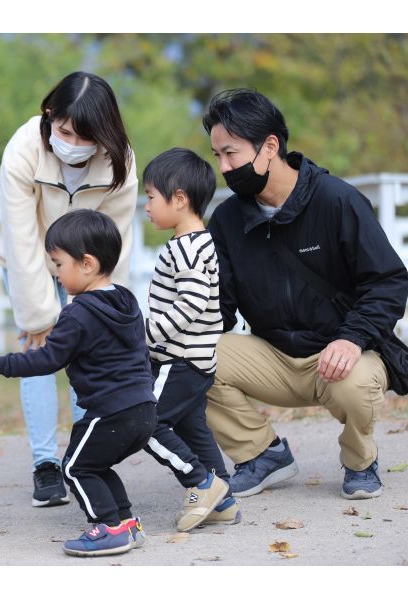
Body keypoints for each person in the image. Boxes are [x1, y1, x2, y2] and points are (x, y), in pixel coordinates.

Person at [203, 88, 408, 500]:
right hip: (274, 356)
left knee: (356, 384)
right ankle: (262, 455)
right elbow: (219, 309)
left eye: (231, 153)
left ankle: (360, 461)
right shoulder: (226, 220)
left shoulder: (338, 201)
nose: (224, 168)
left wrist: (353, 338)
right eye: (217, 157)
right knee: (190, 356)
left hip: (341, 354)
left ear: (270, 146)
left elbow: (388, 280)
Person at [0, 71, 138, 508]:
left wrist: (107, 309)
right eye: (64, 130)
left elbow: (115, 240)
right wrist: (37, 316)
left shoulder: (119, 161)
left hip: (86, 260)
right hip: (27, 250)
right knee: (40, 349)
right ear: (49, 115)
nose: (71, 142)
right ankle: (46, 465)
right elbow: (21, 235)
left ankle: (86, 451)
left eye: (85, 137)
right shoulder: (23, 148)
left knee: (87, 348)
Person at [0, 210, 156, 557]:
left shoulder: (78, 312)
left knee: (74, 466)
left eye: (58, 264)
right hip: (144, 408)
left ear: (86, 264)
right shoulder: (126, 301)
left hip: (110, 412)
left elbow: (46, 359)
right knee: (95, 466)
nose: (56, 273)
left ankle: (108, 527)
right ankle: (127, 523)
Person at [141, 148, 239, 530]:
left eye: (151, 197)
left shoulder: (186, 247)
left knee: (144, 421)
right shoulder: (202, 242)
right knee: (192, 429)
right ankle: (224, 497)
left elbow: (193, 302)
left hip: (179, 361)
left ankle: (201, 483)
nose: (147, 206)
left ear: (179, 199)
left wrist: (148, 337)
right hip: (197, 362)